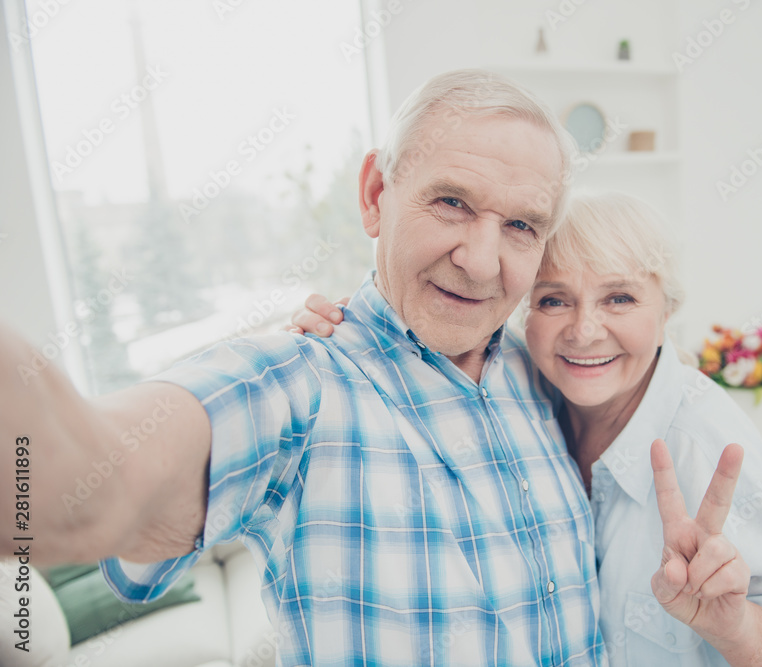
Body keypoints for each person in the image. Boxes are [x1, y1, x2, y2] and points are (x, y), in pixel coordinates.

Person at [0, 69, 606, 665]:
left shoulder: (549, 376)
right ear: (375, 195)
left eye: (521, 226)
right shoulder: (294, 385)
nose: (479, 262)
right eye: (451, 202)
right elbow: (91, 486)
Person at [292, 191, 762, 666]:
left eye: (620, 297)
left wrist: (737, 627)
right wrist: (345, 328)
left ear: (666, 310)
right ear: (524, 314)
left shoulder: (708, 446)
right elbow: (423, 343)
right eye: (555, 299)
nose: (584, 332)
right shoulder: (518, 380)